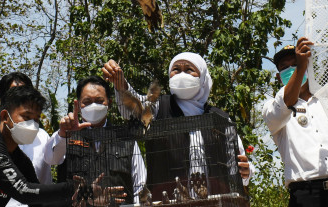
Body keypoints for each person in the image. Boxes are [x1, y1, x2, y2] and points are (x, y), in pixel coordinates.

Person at [103, 52, 252, 202]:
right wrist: (121, 85)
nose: (182, 74)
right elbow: (134, 109)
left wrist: (246, 173)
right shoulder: (160, 107)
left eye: (189, 70)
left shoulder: (221, 119)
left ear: (202, 78)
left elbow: (237, 167)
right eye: (176, 69)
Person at [263, 38, 328, 207]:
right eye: (284, 67)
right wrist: (301, 66)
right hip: (305, 196)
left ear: (308, 66)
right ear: (278, 77)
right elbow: (287, 101)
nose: (291, 69)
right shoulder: (272, 109)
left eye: (295, 64)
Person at [43, 76, 145, 204]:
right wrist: (63, 135)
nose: (93, 105)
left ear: (109, 103)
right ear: (79, 105)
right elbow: (50, 159)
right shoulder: (67, 135)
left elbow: (139, 186)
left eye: (99, 100)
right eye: (87, 101)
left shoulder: (125, 139)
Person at [0, 71, 53, 194]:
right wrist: (70, 189)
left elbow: (41, 192)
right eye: (26, 116)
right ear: (5, 114)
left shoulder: (24, 158)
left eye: (36, 119)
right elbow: (23, 190)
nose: (21, 97)